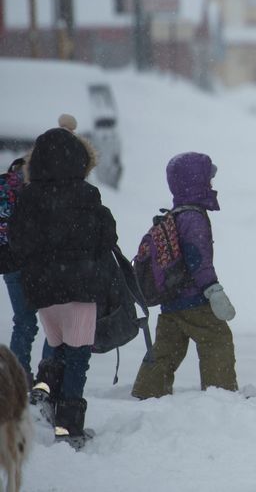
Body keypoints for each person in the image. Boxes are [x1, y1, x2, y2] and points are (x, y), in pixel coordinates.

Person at [9, 121, 116, 446]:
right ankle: (68, 429)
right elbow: (107, 236)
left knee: (56, 348)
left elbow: (17, 243)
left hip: (43, 291)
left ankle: (45, 392)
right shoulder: (86, 194)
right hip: (79, 288)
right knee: (78, 357)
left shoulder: (28, 196)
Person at [131, 152, 238, 399]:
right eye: (207, 178)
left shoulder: (176, 214)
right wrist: (213, 290)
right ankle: (220, 394)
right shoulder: (194, 217)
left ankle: (147, 392)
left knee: (167, 350)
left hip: (172, 297)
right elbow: (198, 259)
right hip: (194, 298)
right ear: (196, 181)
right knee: (216, 339)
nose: (211, 184)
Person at [1, 157, 52, 385]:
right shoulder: (36, 190)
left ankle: (16, 377)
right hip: (36, 262)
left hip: (9, 263)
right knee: (55, 321)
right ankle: (48, 377)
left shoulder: (4, 184)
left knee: (24, 321)